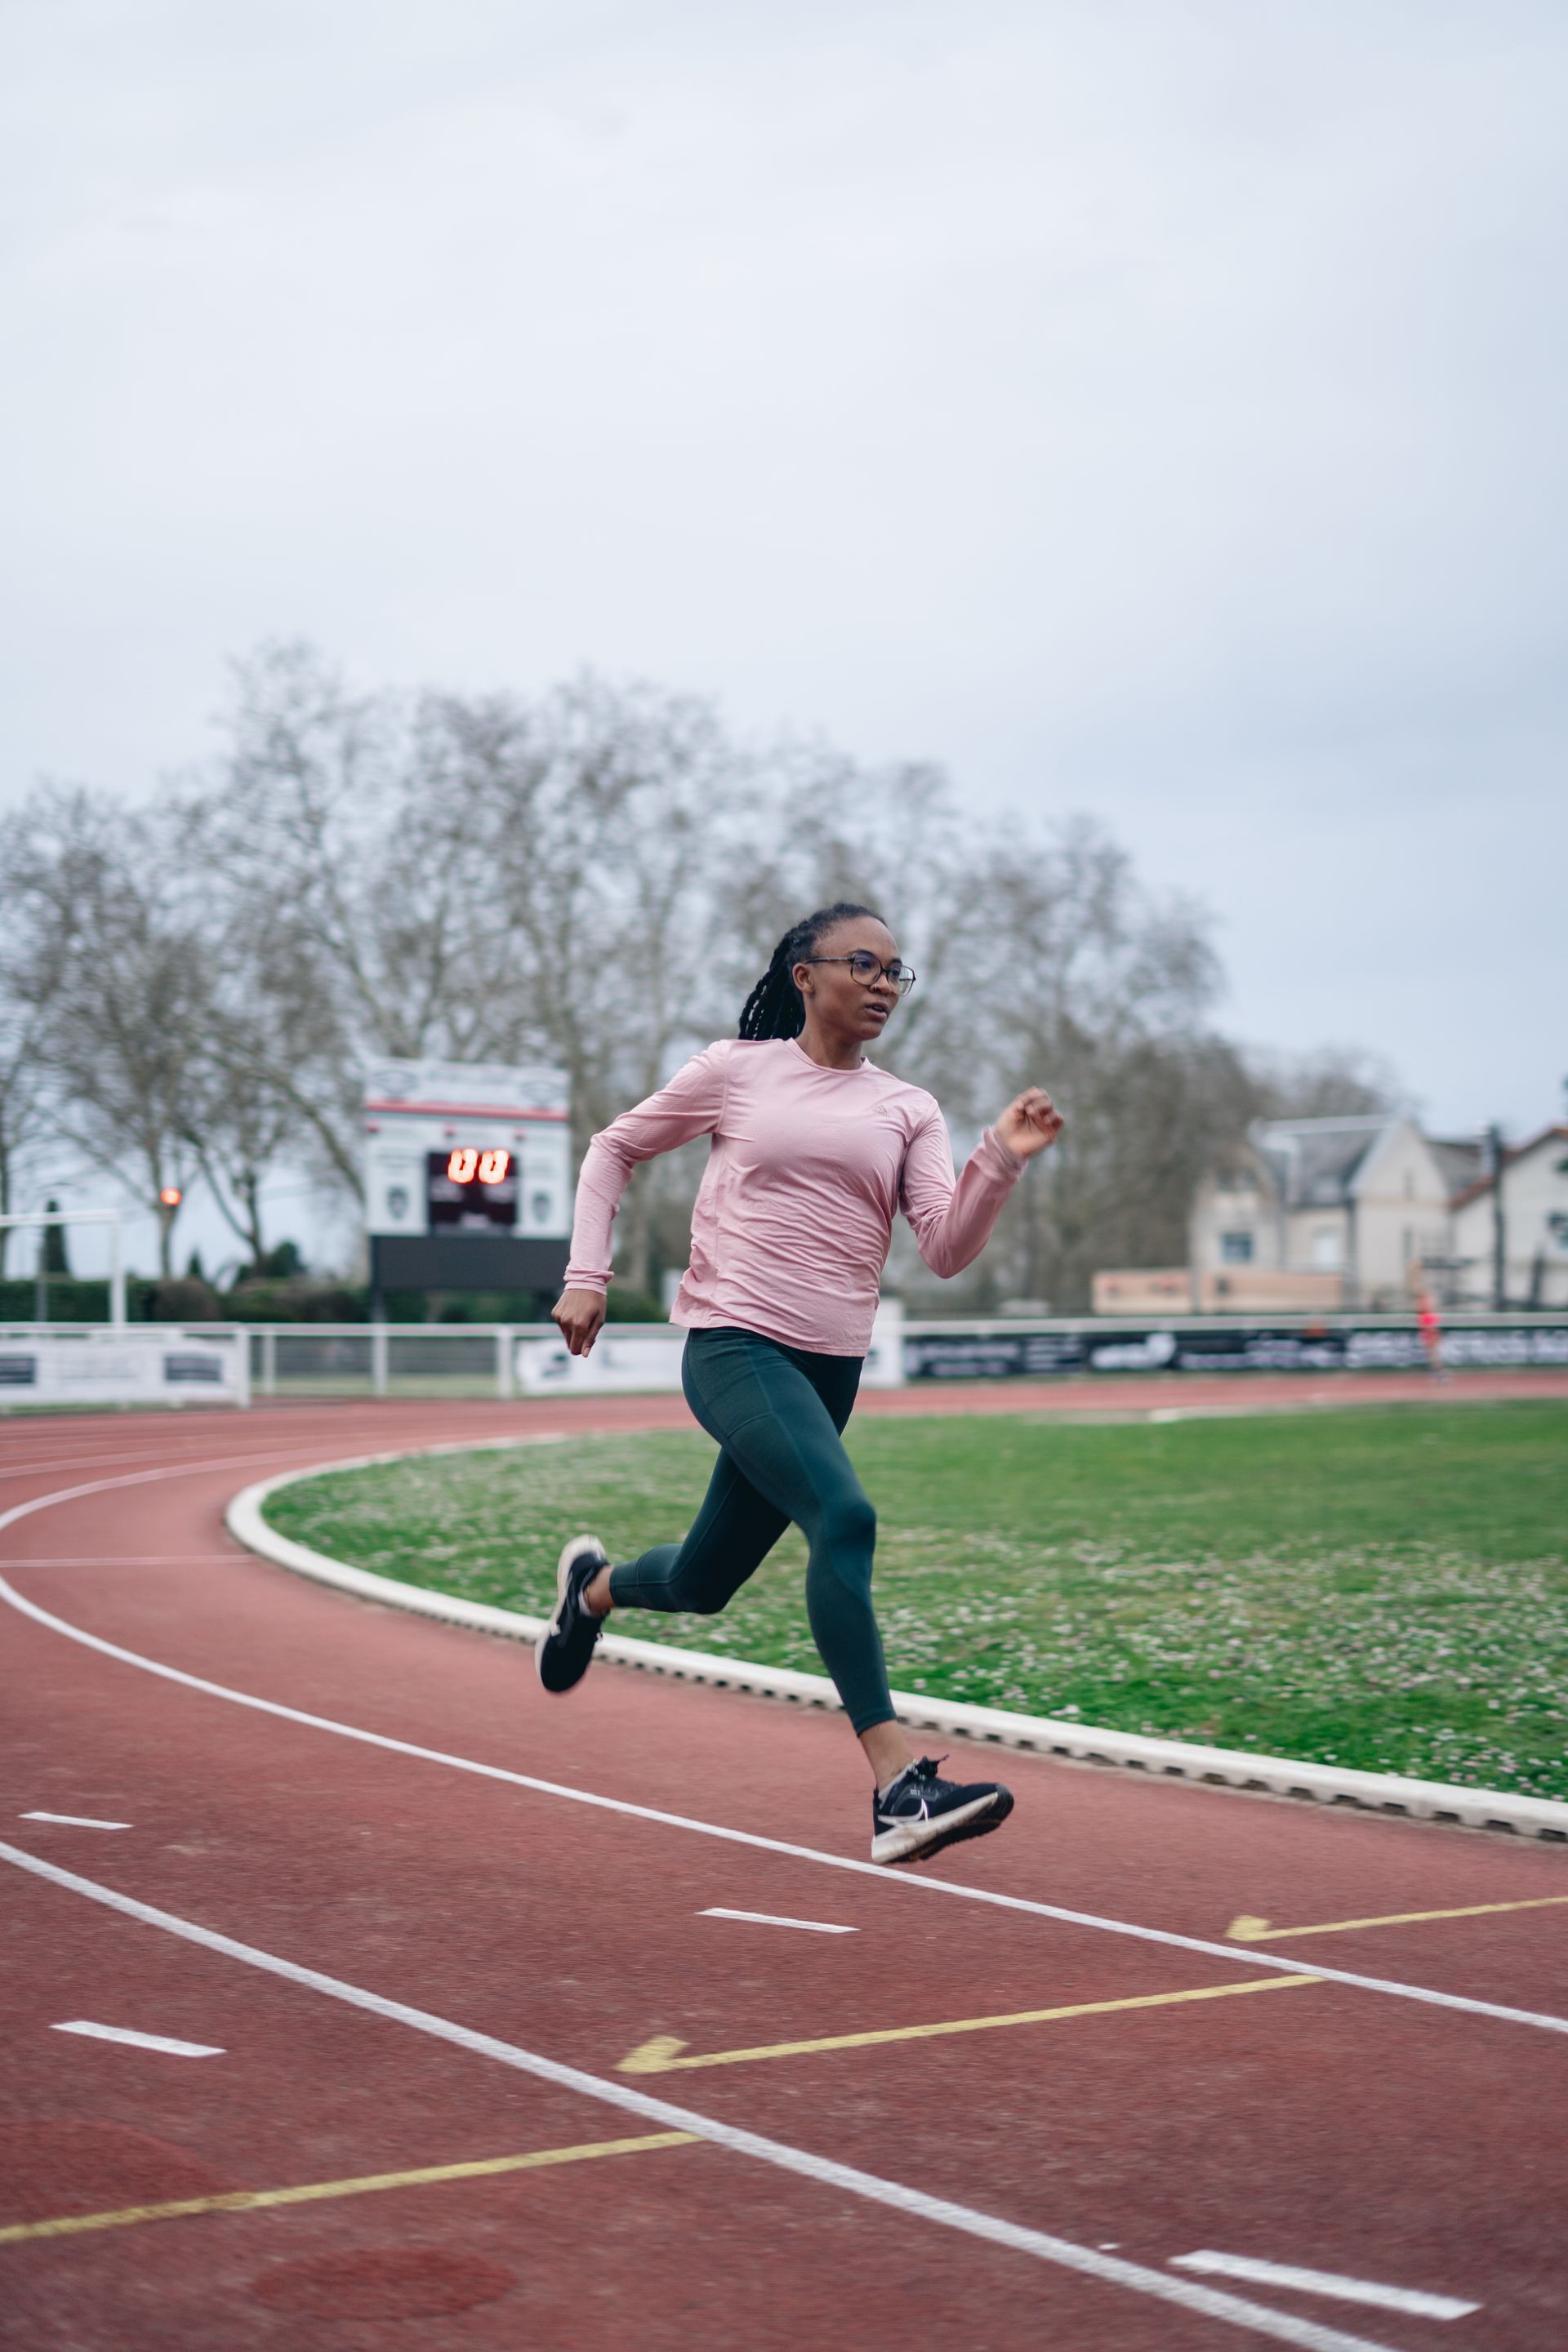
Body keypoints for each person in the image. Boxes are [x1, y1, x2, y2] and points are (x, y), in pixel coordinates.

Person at [538, 902, 1063, 1864]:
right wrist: (587, 1274)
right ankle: (899, 1786)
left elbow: (944, 1248)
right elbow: (613, 1149)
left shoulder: (909, 1109)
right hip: (734, 1344)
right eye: (863, 964)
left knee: (703, 1583)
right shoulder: (736, 1072)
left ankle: (592, 1592)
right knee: (846, 1517)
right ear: (804, 976)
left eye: (896, 973)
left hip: (828, 1371)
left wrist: (998, 1161)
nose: (882, 984)